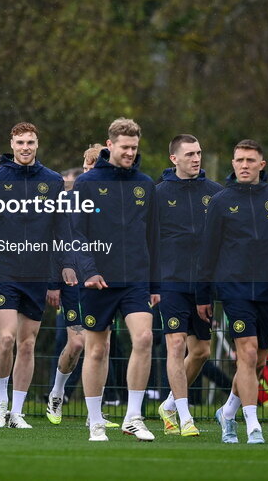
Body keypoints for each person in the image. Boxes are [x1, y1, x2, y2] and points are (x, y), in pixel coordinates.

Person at [196, 139, 268, 444]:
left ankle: (227, 410)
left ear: (261, 165)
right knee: (246, 354)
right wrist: (202, 296)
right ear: (233, 164)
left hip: (266, 290)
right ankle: (251, 425)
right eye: (239, 160)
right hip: (233, 290)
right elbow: (207, 254)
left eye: (250, 160)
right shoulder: (221, 202)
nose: (244, 165)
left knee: (260, 361)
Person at [0, 122, 66, 429]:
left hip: (37, 273)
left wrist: (56, 277)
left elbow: (59, 229)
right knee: (8, 336)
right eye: (20, 142)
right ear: (12, 145)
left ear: (37, 144)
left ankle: (17, 412)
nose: (26, 147)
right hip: (4, 270)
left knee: (27, 344)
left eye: (31, 142)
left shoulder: (52, 181)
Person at [70, 118, 159, 442]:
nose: (130, 154)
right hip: (98, 281)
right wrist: (89, 271)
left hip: (135, 279)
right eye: (125, 148)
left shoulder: (146, 184)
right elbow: (77, 234)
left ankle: (134, 416)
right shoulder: (87, 183)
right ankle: (95, 421)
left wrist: (155, 284)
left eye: (135, 148)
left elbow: (154, 236)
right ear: (110, 146)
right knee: (96, 351)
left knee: (145, 339)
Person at [154, 134, 222, 437]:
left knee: (202, 352)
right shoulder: (157, 194)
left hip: (203, 288)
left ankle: (169, 404)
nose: (196, 158)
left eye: (199, 153)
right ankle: (185, 417)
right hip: (170, 284)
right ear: (174, 159)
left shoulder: (217, 194)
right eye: (190, 154)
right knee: (175, 344)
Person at [46, 144, 112, 427]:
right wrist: (54, 282)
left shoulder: (110, 201)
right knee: (76, 343)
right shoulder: (66, 202)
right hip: (73, 283)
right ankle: (57, 393)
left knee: (101, 347)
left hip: (100, 282)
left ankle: (93, 415)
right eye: (89, 167)